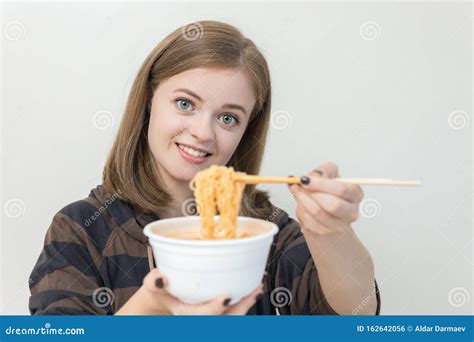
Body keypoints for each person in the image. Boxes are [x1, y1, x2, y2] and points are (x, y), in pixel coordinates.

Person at [29, 20, 380, 315]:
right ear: (150, 99)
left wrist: (332, 233)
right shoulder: (82, 229)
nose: (202, 132)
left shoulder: (262, 231)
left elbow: (355, 316)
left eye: (228, 118)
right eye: (185, 103)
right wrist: (151, 314)